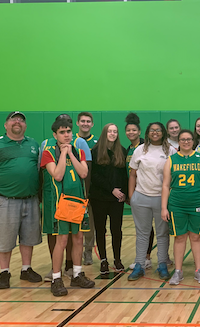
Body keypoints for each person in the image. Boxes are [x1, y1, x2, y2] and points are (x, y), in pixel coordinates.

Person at [0, 111, 42, 289]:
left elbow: (38, 171)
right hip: (4, 200)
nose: (17, 122)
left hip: (30, 199)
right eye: (13, 119)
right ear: (6, 125)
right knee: (4, 239)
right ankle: (4, 272)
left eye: (21, 120)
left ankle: (26, 269)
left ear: (25, 126)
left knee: (29, 237)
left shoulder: (33, 144)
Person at [41, 118, 94, 296]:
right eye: (62, 132)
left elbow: (84, 172)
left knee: (78, 238)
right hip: (60, 204)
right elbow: (57, 175)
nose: (66, 135)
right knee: (62, 241)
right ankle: (56, 278)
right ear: (55, 135)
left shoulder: (79, 151)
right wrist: (62, 154)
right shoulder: (49, 153)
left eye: (69, 132)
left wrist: (71, 153)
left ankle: (77, 274)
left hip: (78, 203)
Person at [162, 130, 200, 285]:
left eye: (188, 139)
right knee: (179, 237)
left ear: (193, 141)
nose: (186, 142)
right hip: (177, 203)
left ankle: (198, 270)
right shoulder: (171, 160)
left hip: (197, 202)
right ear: (178, 141)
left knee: (196, 236)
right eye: (182, 139)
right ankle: (178, 271)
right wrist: (163, 207)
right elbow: (165, 185)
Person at [128, 122, 176, 281]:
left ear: (163, 133)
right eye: (152, 130)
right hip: (141, 197)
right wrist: (132, 196)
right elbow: (133, 174)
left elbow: (174, 177)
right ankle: (140, 265)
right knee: (142, 233)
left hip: (162, 199)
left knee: (162, 233)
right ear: (148, 133)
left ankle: (162, 264)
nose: (155, 133)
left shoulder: (171, 150)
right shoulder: (139, 150)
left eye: (158, 130)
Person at [89, 123, 128, 274]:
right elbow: (95, 176)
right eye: (110, 131)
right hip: (99, 198)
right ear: (105, 133)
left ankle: (117, 260)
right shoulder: (96, 151)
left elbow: (124, 175)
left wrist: (123, 193)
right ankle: (103, 260)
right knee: (100, 229)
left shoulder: (122, 151)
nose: (112, 134)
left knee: (116, 230)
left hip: (117, 199)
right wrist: (111, 189)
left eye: (115, 131)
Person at [124, 113, 159, 270]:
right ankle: (142, 258)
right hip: (137, 194)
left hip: (151, 192)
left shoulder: (146, 147)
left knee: (153, 229)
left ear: (139, 132)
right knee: (142, 227)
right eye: (128, 130)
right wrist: (130, 195)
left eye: (134, 130)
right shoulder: (128, 150)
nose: (131, 133)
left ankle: (148, 257)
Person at [75, 112, 98, 266]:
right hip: (74, 191)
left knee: (90, 225)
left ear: (92, 124)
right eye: (82, 121)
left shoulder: (97, 143)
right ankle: (72, 255)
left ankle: (88, 252)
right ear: (77, 123)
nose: (85, 124)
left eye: (88, 121)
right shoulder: (72, 141)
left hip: (93, 191)